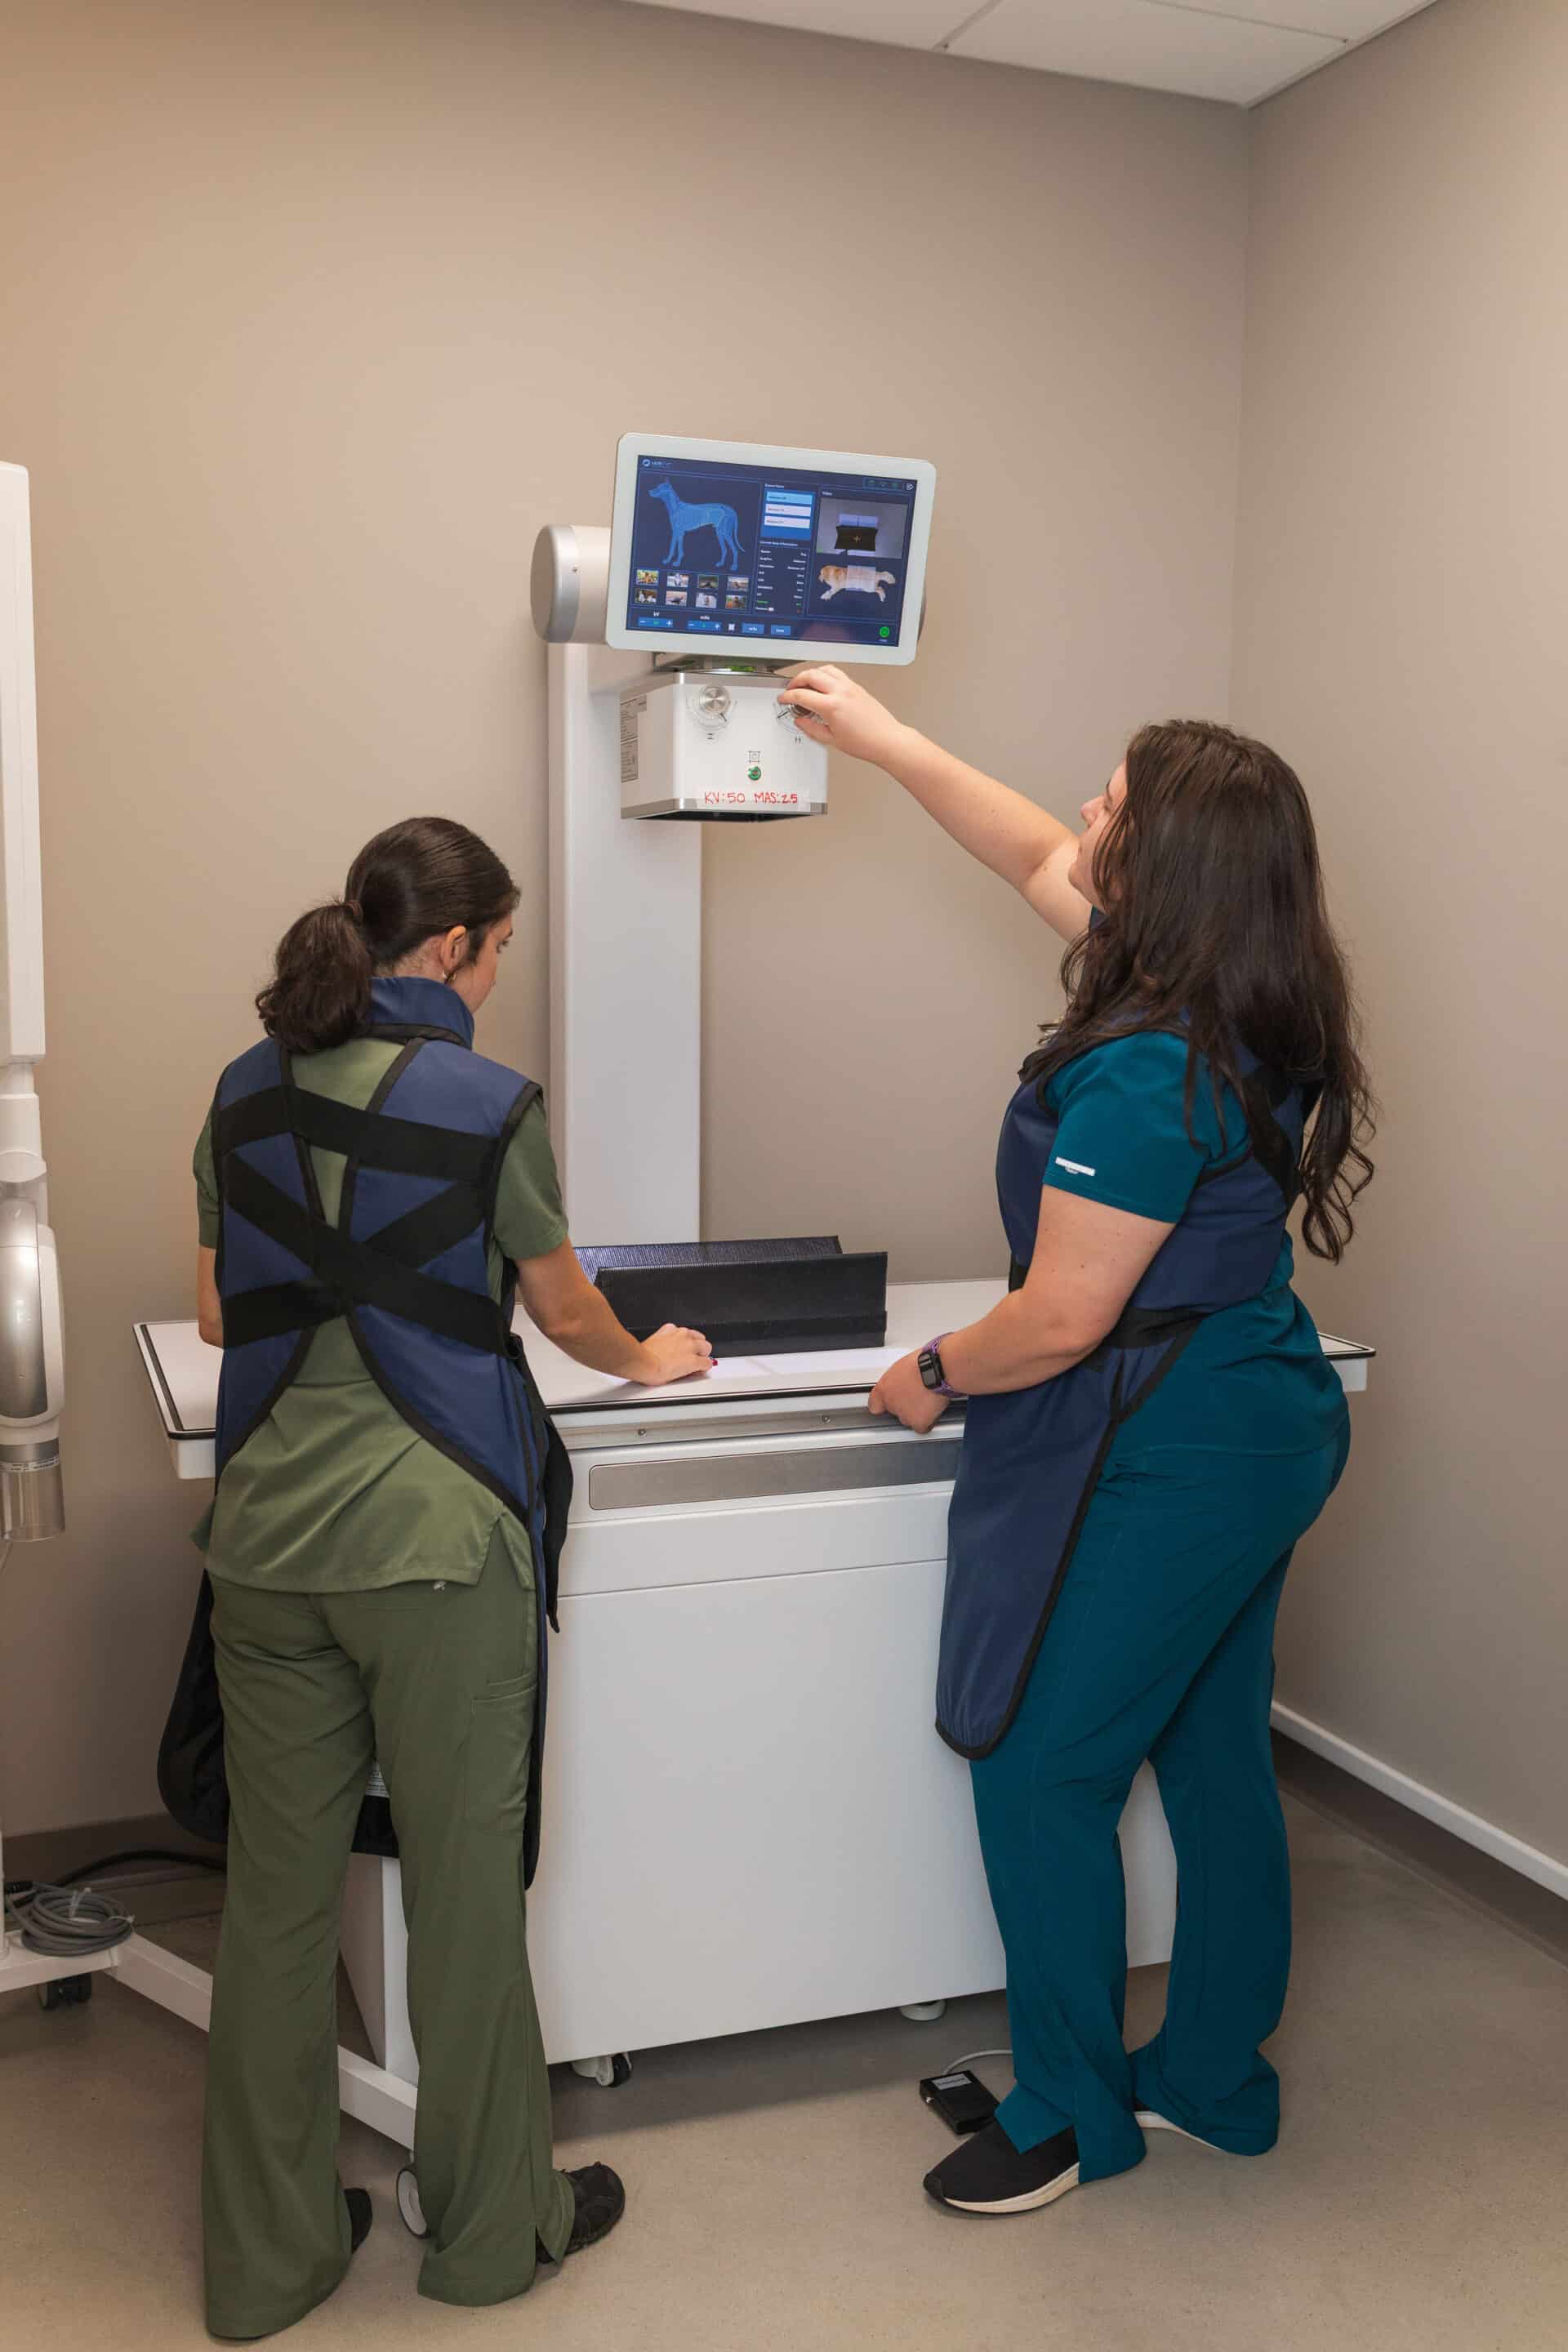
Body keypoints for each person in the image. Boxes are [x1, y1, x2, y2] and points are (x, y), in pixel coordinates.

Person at [781, 668, 1374, 2219]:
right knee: (1213, 1752)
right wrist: (889, 741)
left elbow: (1059, 1319)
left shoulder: (1142, 1066)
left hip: (1176, 1442)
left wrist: (928, 1372)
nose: (1084, 816)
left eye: (1113, 805)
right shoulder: (1254, 994)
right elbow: (1027, 850)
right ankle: (1214, 2086)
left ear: (1164, 871)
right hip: (1266, 1407)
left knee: (1041, 1771)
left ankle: (1071, 2114)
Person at [189, 817, 712, 2337]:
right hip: (437, 1557)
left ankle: (264, 2263)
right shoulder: (490, 1103)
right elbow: (571, 1312)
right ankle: (494, 2235)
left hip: (269, 1555)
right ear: (450, 952)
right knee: (468, 1898)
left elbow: (225, 1319)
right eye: (498, 952)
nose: (498, 976)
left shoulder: (238, 1092)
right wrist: (654, 1356)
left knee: (277, 1909)